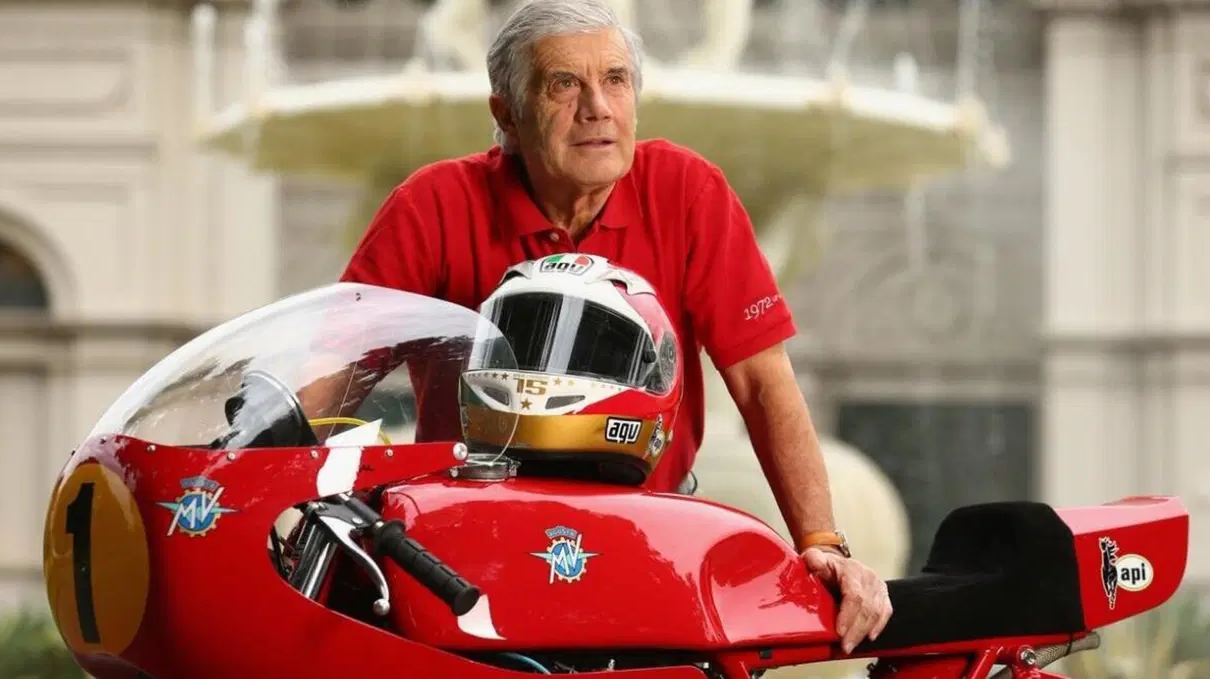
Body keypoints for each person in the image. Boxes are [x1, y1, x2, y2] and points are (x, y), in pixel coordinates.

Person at [337, 0, 892, 653]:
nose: (597, 107)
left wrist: (822, 542)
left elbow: (762, 382)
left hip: (643, 543)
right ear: (506, 115)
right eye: (563, 84)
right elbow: (333, 371)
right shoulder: (433, 203)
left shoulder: (688, 190)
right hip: (466, 550)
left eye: (616, 80)